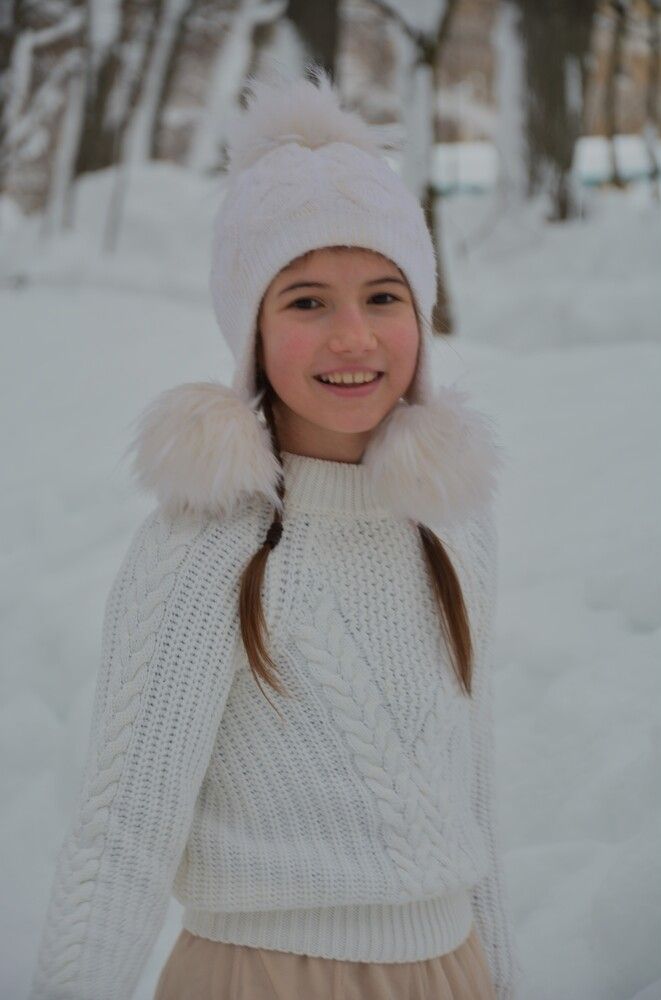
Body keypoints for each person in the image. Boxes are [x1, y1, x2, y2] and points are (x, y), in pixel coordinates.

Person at [28, 65, 522, 1000]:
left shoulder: (451, 525)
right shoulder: (208, 544)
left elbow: (476, 806)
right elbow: (122, 834)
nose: (354, 337)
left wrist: (500, 977)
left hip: (450, 972)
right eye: (307, 301)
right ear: (249, 327)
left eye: (384, 296)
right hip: (258, 975)